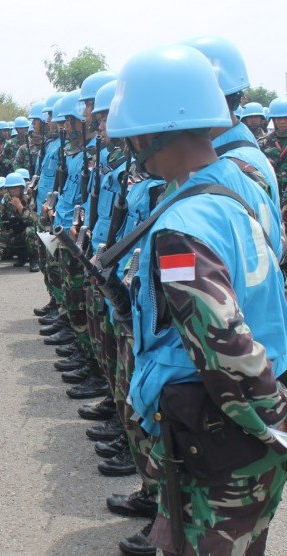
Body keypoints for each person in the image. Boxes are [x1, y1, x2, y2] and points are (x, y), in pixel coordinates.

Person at [108, 44, 287, 555]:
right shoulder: (240, 182)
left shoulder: (183, 225)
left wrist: (277, 423)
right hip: (251, 416)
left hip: (221, 429)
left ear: (146, 134)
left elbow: (223, 346)